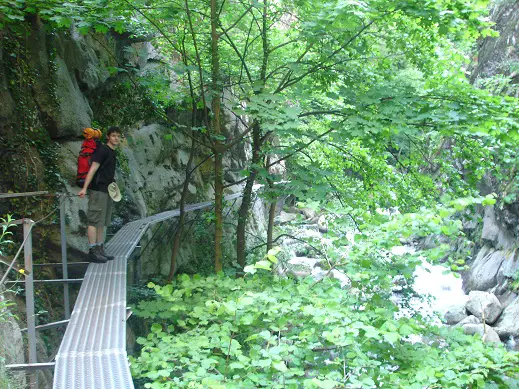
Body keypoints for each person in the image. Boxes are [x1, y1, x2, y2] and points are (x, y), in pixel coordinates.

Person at [78, 126, 122, 263]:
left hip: (107, 190)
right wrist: (85, 188)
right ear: (108, 137)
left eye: (118, 136)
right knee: (94, 220)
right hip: (98, 190)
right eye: (113, 135)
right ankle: (92, 251)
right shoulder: (103, 150)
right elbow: (93, 168)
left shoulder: (112, 152)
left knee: (102, 222)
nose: (116, 138)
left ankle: (100, 248)